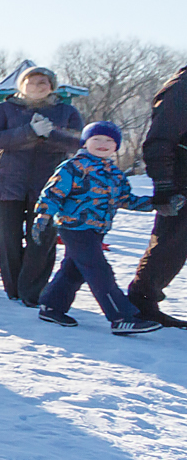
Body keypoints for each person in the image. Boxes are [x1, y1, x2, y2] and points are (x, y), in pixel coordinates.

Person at [33, 122, 160, 334]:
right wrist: (43, 215)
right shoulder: (74, 167)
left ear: (116, 146)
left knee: (74, 270)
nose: (103, 144)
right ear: (86, 142)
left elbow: (126, 199)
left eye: (109, 141)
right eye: (97, 139)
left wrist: (157, 203)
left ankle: (51, 306)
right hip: (74, 226)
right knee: (99, 271)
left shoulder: (115, 174)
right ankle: (122, 317)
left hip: (98, 229)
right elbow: (53, 192)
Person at [0, 65, 83, 306]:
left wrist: (50, 134)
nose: (37, 87)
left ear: (51, 87)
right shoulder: (4, 108)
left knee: (43, 239)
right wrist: (29, 131)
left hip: (50, 185)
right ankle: (14, 289)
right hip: (8, 181)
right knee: (9, 238)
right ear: (21, 85)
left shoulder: (66, 111)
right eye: (31, 82)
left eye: (43, 83)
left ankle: (33, 291)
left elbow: (77, 141)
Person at [127, 64, 187, 327]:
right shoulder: (182, 87)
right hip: (181, 179)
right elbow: (159, 138)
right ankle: (141, 301)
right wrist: (164, 183)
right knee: (172, 244)